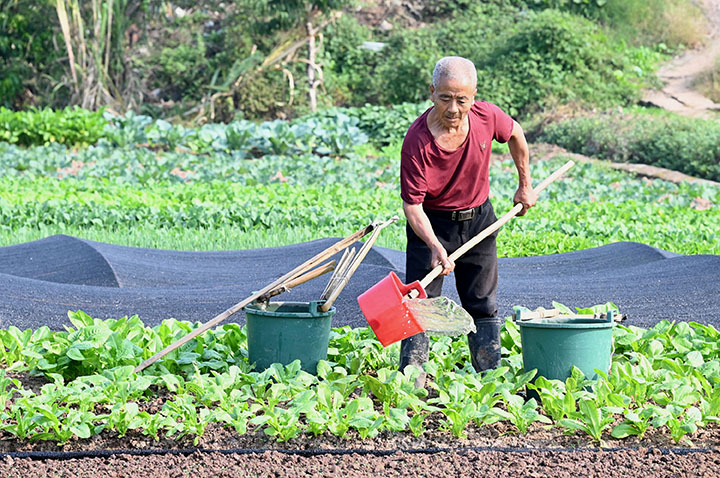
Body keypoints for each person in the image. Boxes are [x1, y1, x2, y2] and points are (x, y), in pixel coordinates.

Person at [399, 56, 537, 384]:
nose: (453, 108)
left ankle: (490, 380)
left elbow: (516, 133)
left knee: (483, 303)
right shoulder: (417, 142)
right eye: (445, 98)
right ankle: (411, 385)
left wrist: (525, 185)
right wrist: (434, 246)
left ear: (474, 97)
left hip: (479, 220)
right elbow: (413, 206)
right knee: (420, 304)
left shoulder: (486, 116)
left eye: (462, 99)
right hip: (432, 224)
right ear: (432, 93)